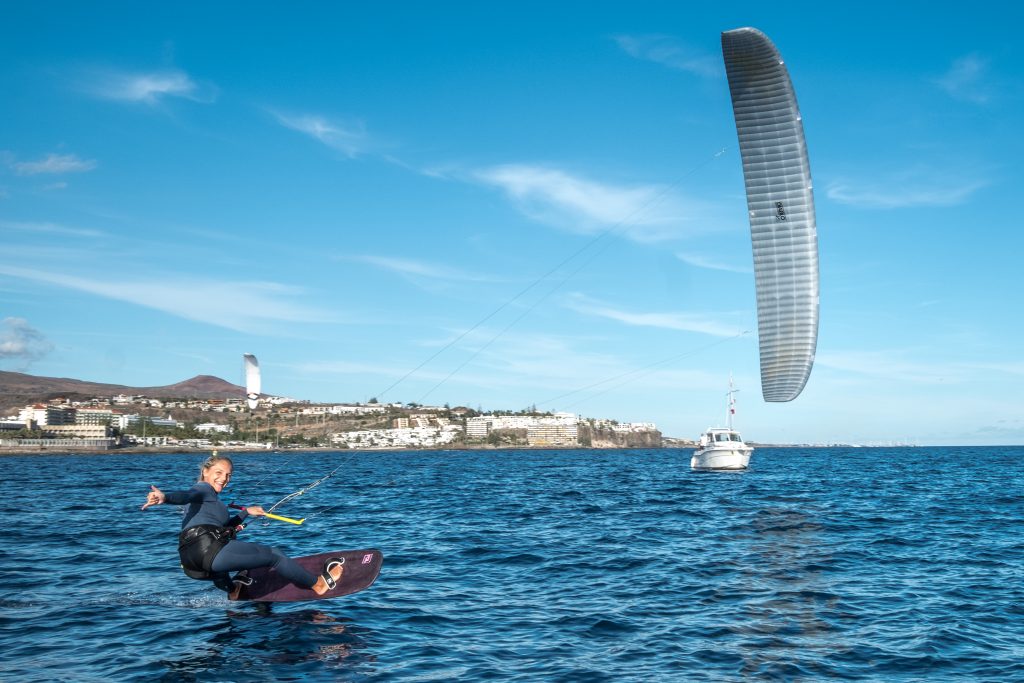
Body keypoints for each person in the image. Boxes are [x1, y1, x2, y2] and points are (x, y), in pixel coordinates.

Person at [142, 452, 342, 598]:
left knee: (220, 571)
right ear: (205, 472)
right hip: (207, 549)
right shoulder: (202, 489)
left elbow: (221, 529)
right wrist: (165, 497)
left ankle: (233, 590)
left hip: (190, 561)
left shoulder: (205, 503)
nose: (224, 478)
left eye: (228, 475)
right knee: (275, 556)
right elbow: (186, 495)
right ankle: (318, 584)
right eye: (219, 472)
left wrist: (245, 513)